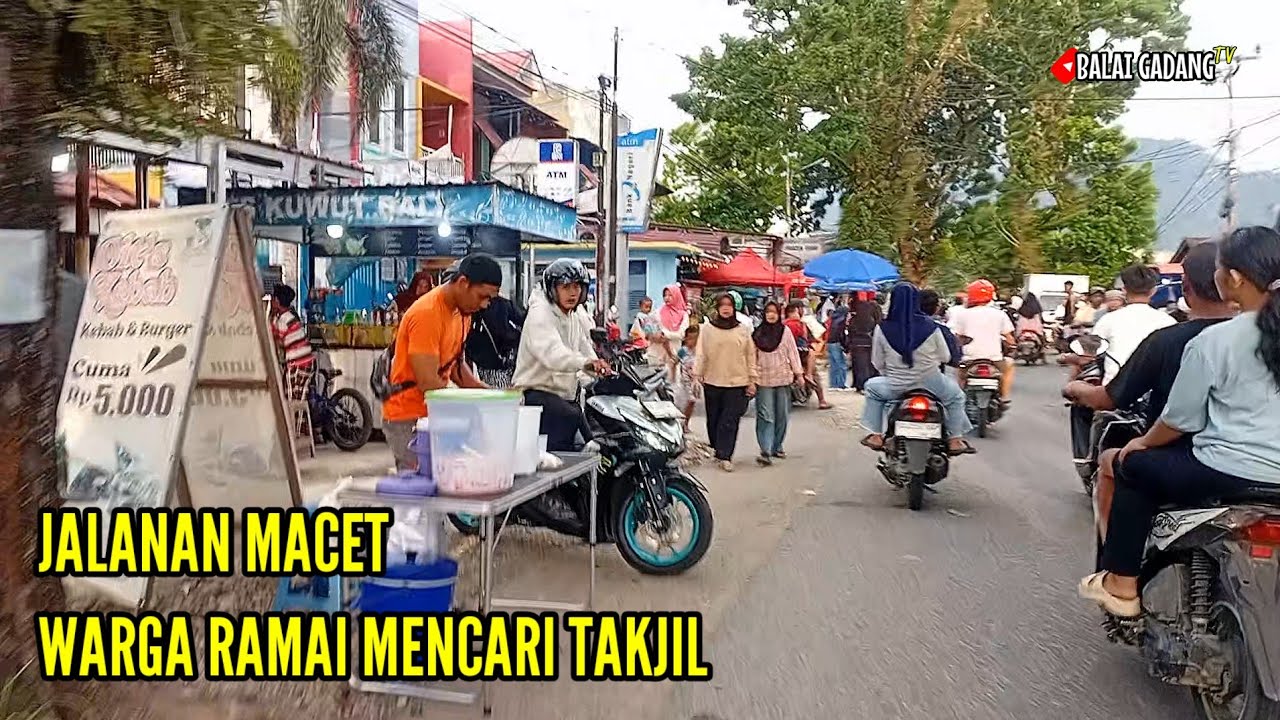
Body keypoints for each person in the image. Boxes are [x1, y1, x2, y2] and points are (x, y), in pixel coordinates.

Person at [1081, 226, 1280, 617]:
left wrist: (1141, 444)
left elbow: (1179, 420)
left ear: (1233, 278)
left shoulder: (1213, 341)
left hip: (1227, 471)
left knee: (1131, 466)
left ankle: (1121, 584)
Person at [1064, 242, 1233, 543]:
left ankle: (1116, 565)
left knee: (1117, 462)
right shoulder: (1258, 336)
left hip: (1193, 458)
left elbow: (1175, 418)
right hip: (1260, 464)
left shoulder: (1175, 340)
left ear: (1186, 288)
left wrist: (1075, 386)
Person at [382, 254, 500, 471]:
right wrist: (468, 405)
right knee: (420, 482)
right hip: (409, 416)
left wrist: (492, 396)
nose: (485, 305)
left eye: (489, 299)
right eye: (482, 296)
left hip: (437, 413)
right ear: (463, 283)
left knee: (449, 478)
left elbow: (455, 367)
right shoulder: (427, 314)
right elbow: (428, 383)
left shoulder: (463, 313)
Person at [859, 283, 975, 455]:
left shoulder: (882, 328)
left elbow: (877, 362)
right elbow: (945, 357)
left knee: (872, 388)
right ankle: (955, 440)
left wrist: (891, 372)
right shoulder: (932, 327)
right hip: (932, 384)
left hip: (896, 386)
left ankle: (876, 436)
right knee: (956, 397)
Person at [512, 259, 611, 452]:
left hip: (564, 398)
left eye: (577, 287)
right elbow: (553, 354)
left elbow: (583, 346)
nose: (573, 293)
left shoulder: (572, 314)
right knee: (559, 455)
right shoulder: (540, 314)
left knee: (591, 444)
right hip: (537, 397)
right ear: (552, 289)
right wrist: (586, 363)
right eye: (565, 287)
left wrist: (600, 367)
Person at [694, 293, 758, 471]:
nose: (726, 309)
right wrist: (697, 374)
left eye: (729, 305)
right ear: (717, 308)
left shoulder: (743, 330)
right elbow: (701, 352)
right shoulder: (707, 329)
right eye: (722, 305)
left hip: (737, 381)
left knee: (730, 420)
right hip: (712, 380)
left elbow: (750, 355)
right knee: (714, 419)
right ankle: (717, 448)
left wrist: (752, 379)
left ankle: (725, 455)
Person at [1091, 264, 1175, 385]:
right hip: (1155, 389)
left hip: (1112, 388)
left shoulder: (1108, 319)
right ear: (1153, 291)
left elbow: (1091, 351)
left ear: (1124, 290)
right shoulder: (1168, 322)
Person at [752, 301, 805, 466]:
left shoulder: (785, 332)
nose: (771, 315)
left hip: (783, 378)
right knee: (765, 415)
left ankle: (777, 446)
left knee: (782, 414)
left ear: (779, 314)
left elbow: (793, 352)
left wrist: (799, 374)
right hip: (763, 379)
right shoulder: (757, 333)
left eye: (774, 312)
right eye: (768, 311)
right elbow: (751, 357)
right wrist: (751, 377)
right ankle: (766, 450)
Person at [950, 279, 1016, 403]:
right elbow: (1009, 338)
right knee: (1009, 365)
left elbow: (957, 337)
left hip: (968, 359)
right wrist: (1012, 346)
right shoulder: (1000, 314)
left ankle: (961, 398)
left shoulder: (962, 314)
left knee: (960, 374)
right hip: (994, 359)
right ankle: (1004, 397)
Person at [466, 291, 525, 388]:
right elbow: (523, 321)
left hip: (488, 365)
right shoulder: (504, 304)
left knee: (497, 392)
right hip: (509, 360)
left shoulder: (473, 309)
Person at [268, 284, 317, 402]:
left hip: (297, 364)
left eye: (273, 299)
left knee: (291, 401)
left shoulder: (283, 320)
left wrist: (271, 316)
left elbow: (276, 340)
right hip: (307, 362)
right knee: (300, 400)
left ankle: (298, 415)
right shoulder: (291, 315)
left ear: (277, 301)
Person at [785, 301, 833, 409]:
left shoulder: (784, 324)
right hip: (802, 354)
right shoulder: (800, 324)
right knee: (815, 374)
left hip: (789, 355)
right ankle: (821, 400)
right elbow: (809, 340)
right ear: (797, 309)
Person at [846, 291, 882, 391]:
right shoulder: (873, 308)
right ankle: (866, 384)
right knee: (867, 364)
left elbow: (850, 328)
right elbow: (879, 323)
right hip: (869, 341)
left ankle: (860, 384)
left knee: (860, 364)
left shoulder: (854, 312)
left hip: (857, 342)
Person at [919, 289, 962, 369]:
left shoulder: (898, 328)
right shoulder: (938, 329)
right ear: (936, 307)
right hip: (931, 372)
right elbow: (949, 358)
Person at [655, 284, 691, 377]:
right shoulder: (659, 312)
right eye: (665, 295)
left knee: (673, 379)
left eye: (670, 295)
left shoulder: (683, 315)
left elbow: (682, 334)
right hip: (659, 353)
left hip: (674, 352)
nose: (667, 298)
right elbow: (655, 328)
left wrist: (665, 334)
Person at [674, 325, 702, 431]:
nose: (693, 341)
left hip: (695, 381)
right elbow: (675, 362)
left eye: (695, 339)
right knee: (688, 401)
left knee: (692, 402)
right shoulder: (683, 351)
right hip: (684, 381)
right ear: (685, 339)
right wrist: (672, 377)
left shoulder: (699, 351)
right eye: (690, 338)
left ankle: (685, 422)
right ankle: (682, 422)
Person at [825, 298, 850, 391]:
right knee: (841, 364)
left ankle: (833, 384)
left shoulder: (834, 319)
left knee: (833, 365)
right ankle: (841, 384)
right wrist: (845, 346)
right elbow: (841, 335)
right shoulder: (841, 321)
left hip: (830, 342)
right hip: (836, 343)